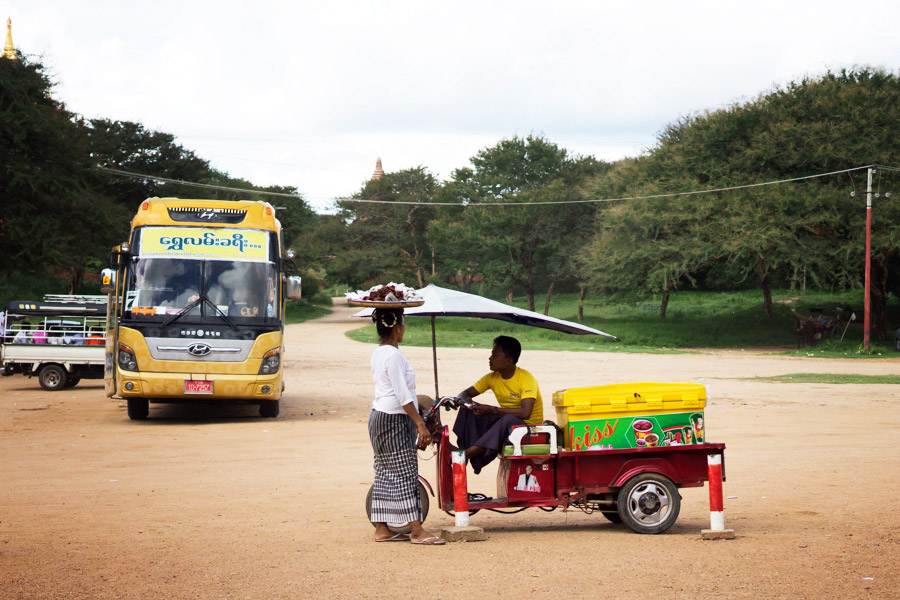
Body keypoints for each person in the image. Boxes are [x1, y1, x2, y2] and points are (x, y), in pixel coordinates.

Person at [367, 307, 445, 545]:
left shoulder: (378, 353)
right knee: (404, 472)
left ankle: (382, 528)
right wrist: (420, 425)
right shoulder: (394, 356)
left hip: (378, 417)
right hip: (394, 418)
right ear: (397, 327)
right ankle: (417, 530)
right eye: (403, 325)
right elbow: (403, 396)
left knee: (384, 472)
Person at [453, 335, 543, 474]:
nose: (490, 358)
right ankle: (463, 450)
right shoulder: (492, 377)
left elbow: (526, 413)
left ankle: (467, 453)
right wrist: (469, 404)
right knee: (467, 409)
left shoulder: (526, 378)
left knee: (507, 419)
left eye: (495, 355)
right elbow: (464, 394)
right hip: (506, 424)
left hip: (528, 429)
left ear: (508, 360)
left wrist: (492, 410)